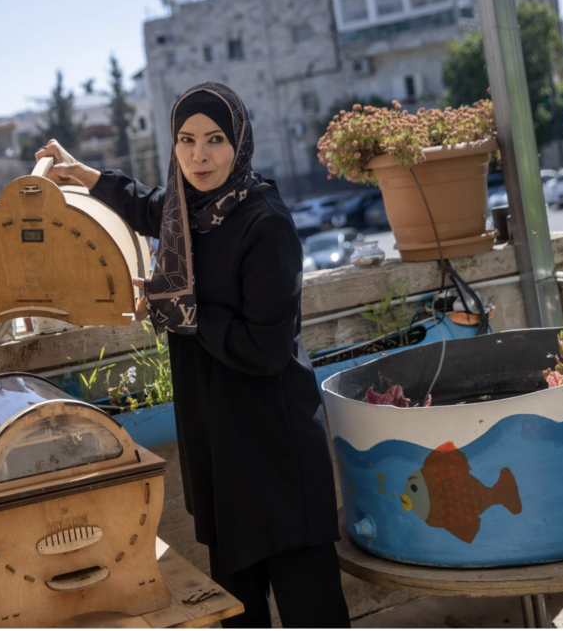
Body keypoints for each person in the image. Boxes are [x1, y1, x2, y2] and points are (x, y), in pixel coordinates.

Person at [34, 82, 349, 628]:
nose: (199, 156)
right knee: (238, 615)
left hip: (276, 456)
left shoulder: (264, 223)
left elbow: (267, 349)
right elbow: (146, 203)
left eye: (215, 140)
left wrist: (179, 304)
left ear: (240, 143)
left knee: (312, 614)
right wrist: (80, 172)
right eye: (185, 140)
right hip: (223, 461)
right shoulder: (189, 211)